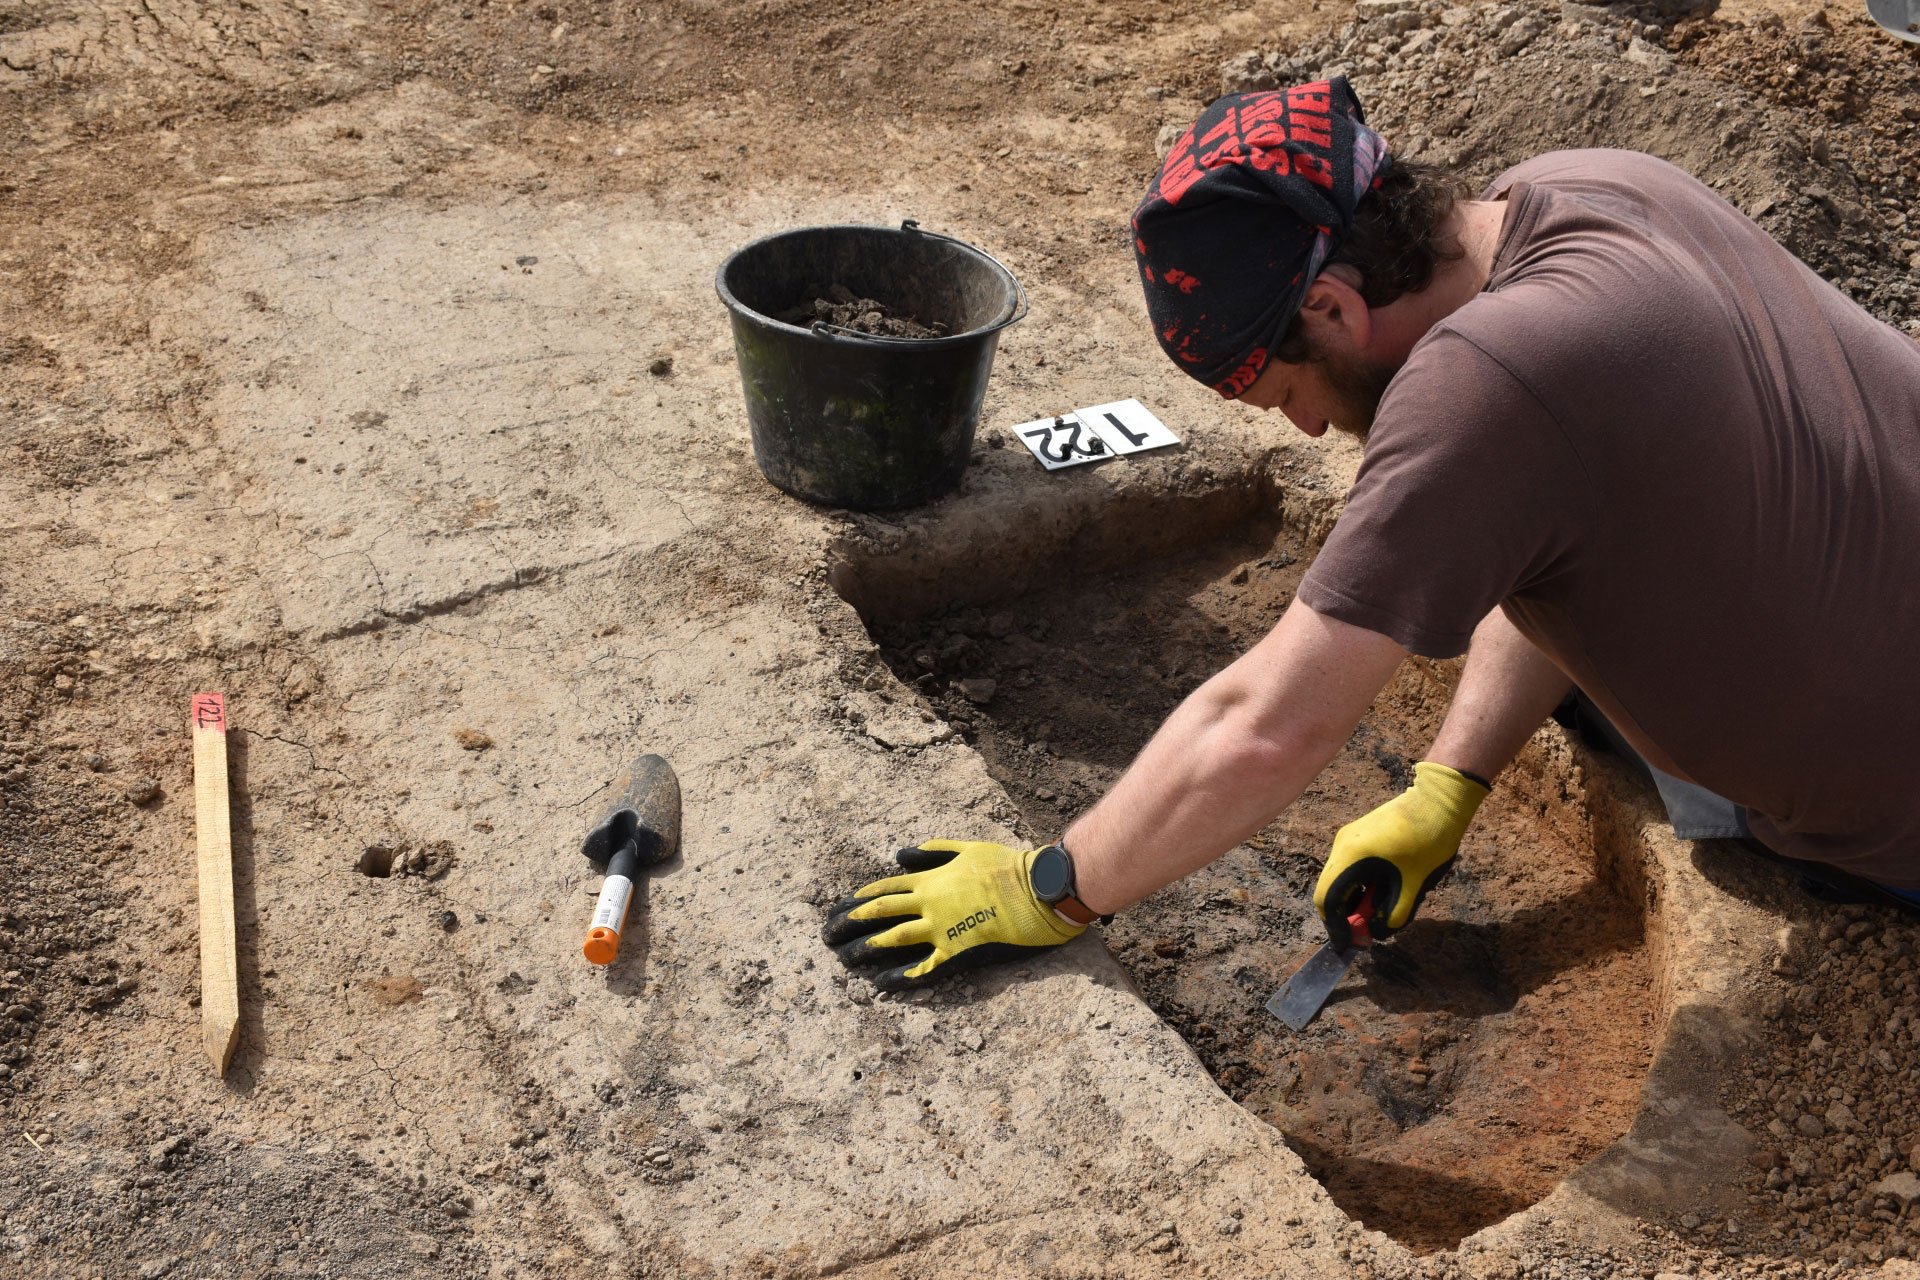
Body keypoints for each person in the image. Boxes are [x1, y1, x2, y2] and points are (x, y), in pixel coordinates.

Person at [824, 77, 1920, 990]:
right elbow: (1560, 520)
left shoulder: (1481, 387)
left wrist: (1052, 884)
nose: (1305, 423)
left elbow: (1265, 727)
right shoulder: (1582, 185)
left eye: (1286, 388)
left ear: (1337, 310)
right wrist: (1449, 780)